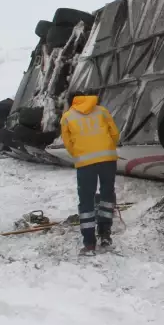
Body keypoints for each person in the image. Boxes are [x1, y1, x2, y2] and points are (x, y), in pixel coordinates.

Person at [60, 90, 121, 254]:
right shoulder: (101, 111)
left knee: (86, 200)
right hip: (108, 159)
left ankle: (89, 244)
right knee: (107, 195)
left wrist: (81, 155)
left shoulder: (67, 117)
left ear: (71, 101)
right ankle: (105, 235)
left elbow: (68, 144)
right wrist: (107, 148)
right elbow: (114, 133)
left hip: (85, 163)